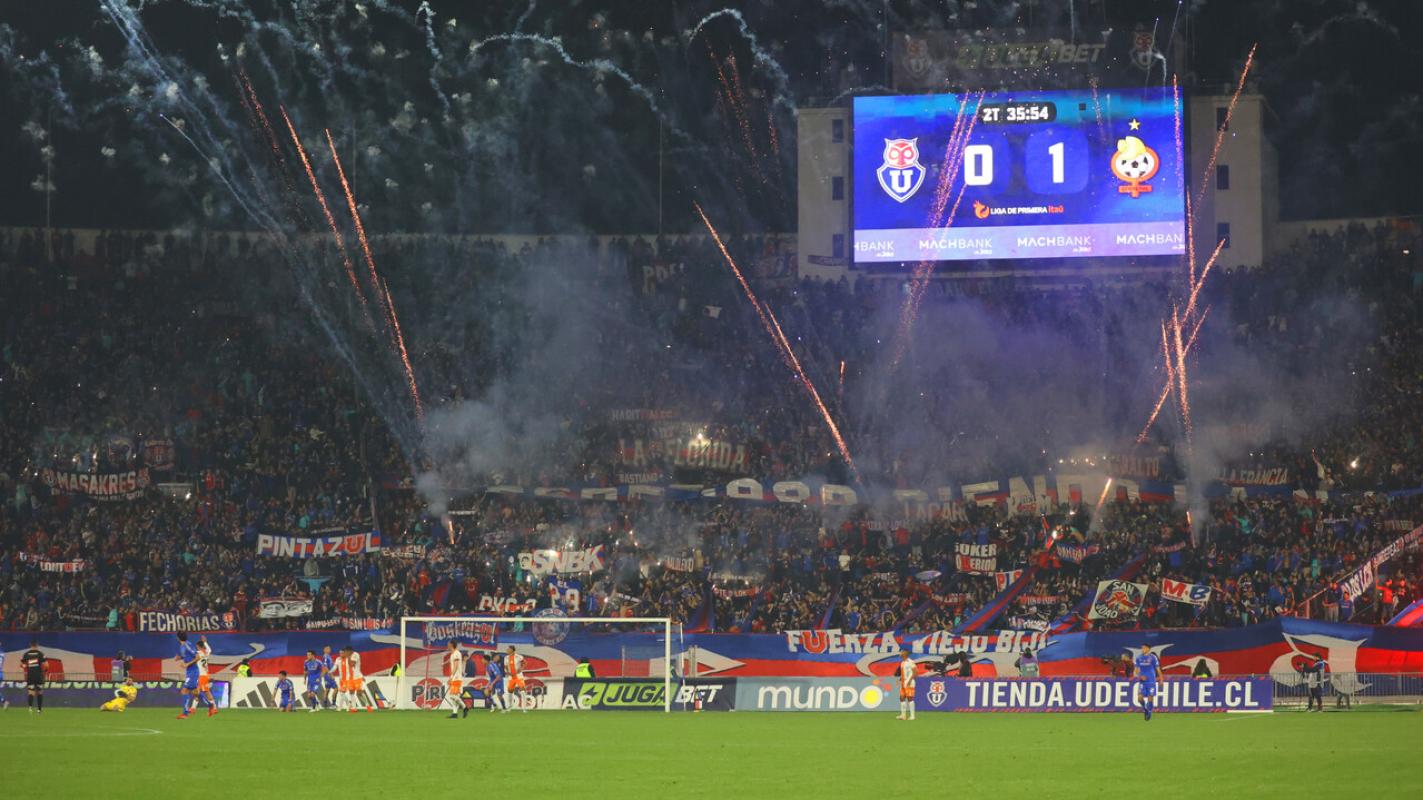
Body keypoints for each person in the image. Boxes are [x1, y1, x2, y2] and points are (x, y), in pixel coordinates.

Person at [1133, 644, 1160, 722]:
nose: (1142, 649)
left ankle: (1149, 712)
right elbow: (1136, 670)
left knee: (1150, 697)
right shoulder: (1139, 658)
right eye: (1142, 648)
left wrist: (1160, 678)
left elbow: (1158, 669)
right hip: (1142, 681)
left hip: (1151, 680)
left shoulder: (1153, 657)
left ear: (1148, 649)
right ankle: (1145, 709)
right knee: (1139, 698)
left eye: (1144, 648)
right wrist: (1140, 676)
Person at [176, 632, 200, 719]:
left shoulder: (187, 645)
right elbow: (186, 656)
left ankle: (185, 713)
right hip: (189, 672)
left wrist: (187, 664)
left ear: (178, 638)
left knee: (184, 691)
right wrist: (179, 658)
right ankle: (210, 705)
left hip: (193, 671)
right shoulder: (182, 646)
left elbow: (198, 657)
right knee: (195, 692)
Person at [195, 635, 219, 717]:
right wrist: (205, 642)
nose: (196, 648)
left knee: (197, 691)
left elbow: (192, 654)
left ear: (198, 646)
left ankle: (193, 708)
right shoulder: (206, 652)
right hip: (206, 674)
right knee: (206, 692)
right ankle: (214, 708)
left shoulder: (198, 653)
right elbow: (209, 649)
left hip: (201, 675)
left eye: (197, 647)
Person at [22, 639, 46, 714]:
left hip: (30, 675)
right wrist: (44, 671)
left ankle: (30, 708)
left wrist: (27, 666)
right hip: (39, 675)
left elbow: (22, 665)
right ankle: (39, 710)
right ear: (37, 645)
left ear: (30, 645)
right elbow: (46, 665)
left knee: (31, 692)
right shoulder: (40, 654)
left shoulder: (26, 654)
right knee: (40, 692)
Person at [894, 651, 917, 721]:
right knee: (901, 698)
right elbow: (903, 673)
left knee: (910, 698)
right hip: (903, 682)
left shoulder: (911, 662)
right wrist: (900, 680)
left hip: (909, 682)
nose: (900, 654)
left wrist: (909, 681)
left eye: (902, 653)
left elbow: (915, 672)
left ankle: (912, 716)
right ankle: (903, 715)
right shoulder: (902, 663)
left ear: (905, 654)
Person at [445, 641, 465, 720]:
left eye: (448, 644)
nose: (447, 646)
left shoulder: (457, 653)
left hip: (456, 677)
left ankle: (465, 707)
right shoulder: (453, 654)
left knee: (453, 696)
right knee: (453, 696)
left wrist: (451, 676)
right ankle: (454, 713)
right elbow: (452, 662)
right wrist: (444, 663)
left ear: (451, 645)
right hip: (454, 677)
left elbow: (456, 666)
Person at [504, 646, 527, 713]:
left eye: (508, 649)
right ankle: (509, 707)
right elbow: (505, 667)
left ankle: (524, 708)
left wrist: (521, 668)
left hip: (519, 676)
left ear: (512, 650)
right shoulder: (506, 658)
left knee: (522, 690)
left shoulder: (519, 657)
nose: (507, 650)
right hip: (511, 677)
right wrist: (507, 672)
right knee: (510, 691)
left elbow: (525, 663)